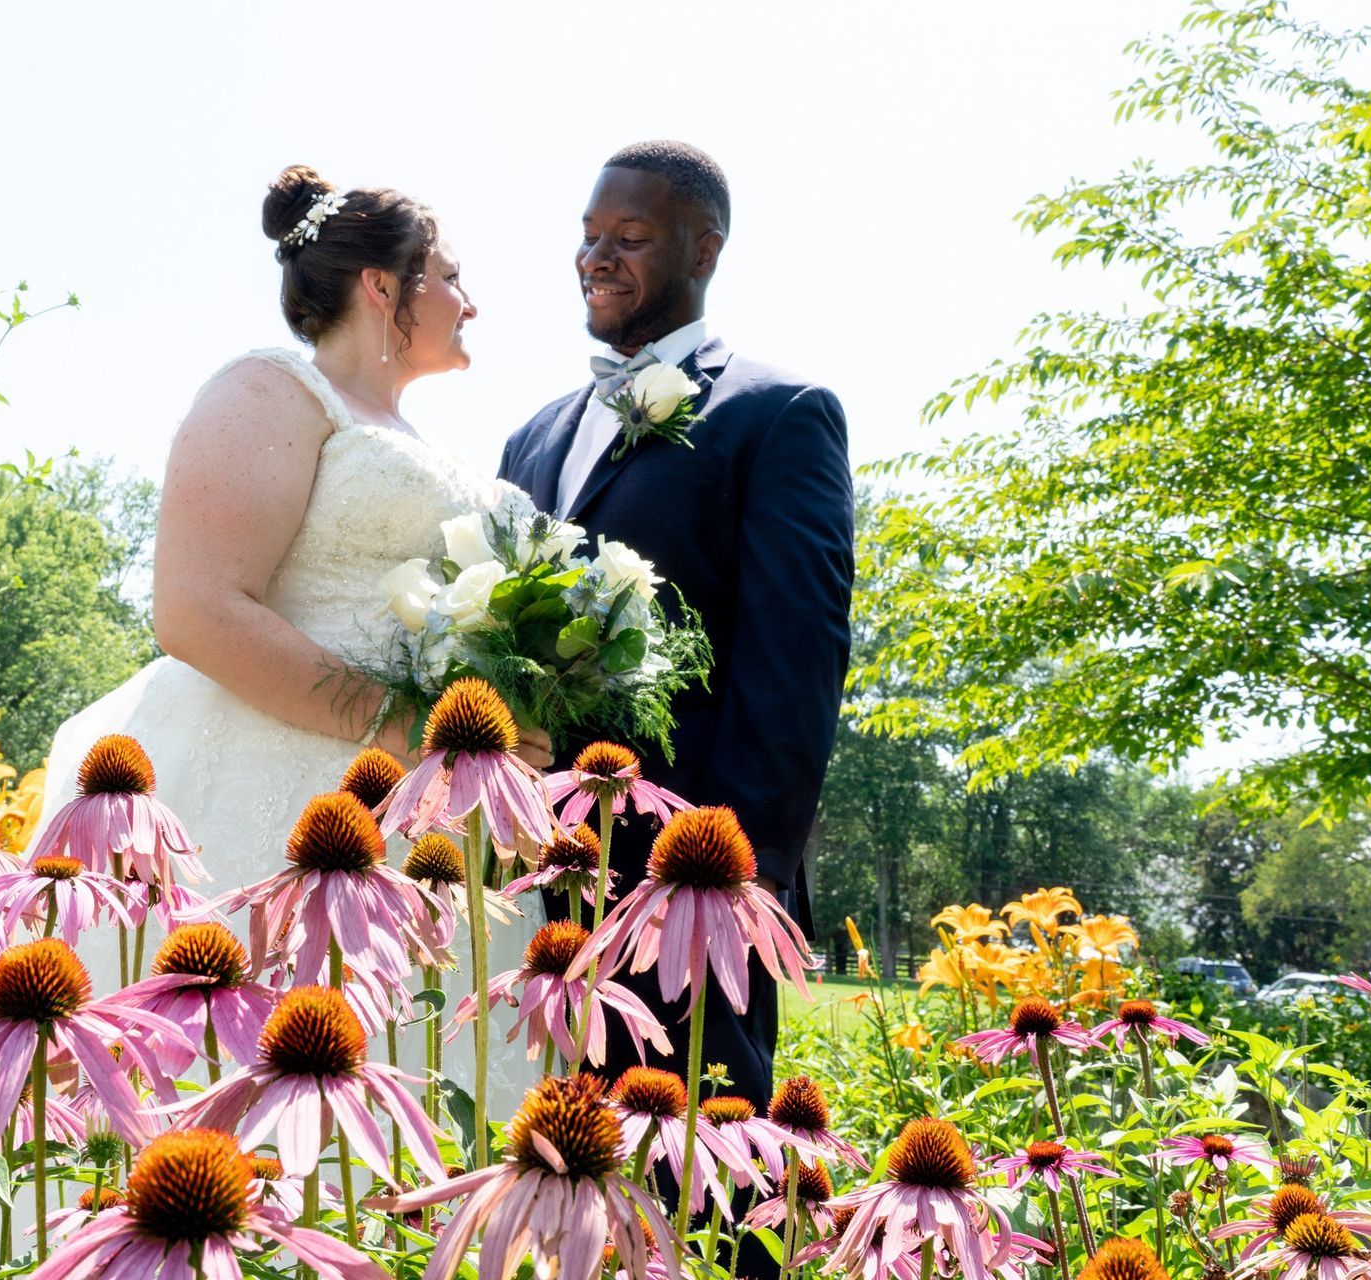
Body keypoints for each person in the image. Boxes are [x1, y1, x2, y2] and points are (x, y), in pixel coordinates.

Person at [38, 164, 551, 1114]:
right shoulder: (274, 391)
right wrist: (403, 728)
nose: (470, 302)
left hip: (428, 825)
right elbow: (196, 609)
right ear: (383, 286)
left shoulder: (429, 443)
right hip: (274, 806)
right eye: (450, 277)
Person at [499, 140, 855, 1274]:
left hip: (691, 885)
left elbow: (797, 660)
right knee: (553, 1191)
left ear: (706, 247)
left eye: (631, 236)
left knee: (703, 1193)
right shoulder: (532, 436)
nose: (596, 254)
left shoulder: (778, 414)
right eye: (590, 233)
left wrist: (724, 878)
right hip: (543, 878)